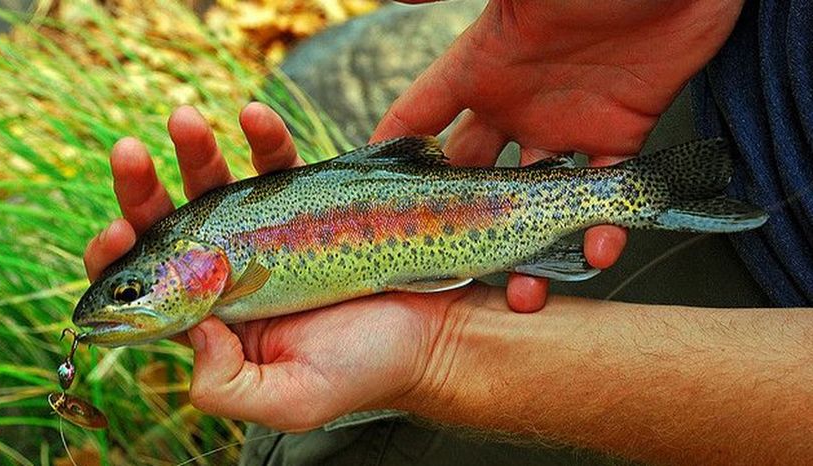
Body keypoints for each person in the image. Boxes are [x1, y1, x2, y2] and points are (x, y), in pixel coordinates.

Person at [83, 0, 813, 464]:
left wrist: (440, 357)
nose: (127, 304)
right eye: (130, 293)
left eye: (133, 291)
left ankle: (639, 194)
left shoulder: (227, 270)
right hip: (717, 64)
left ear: (197, 265)